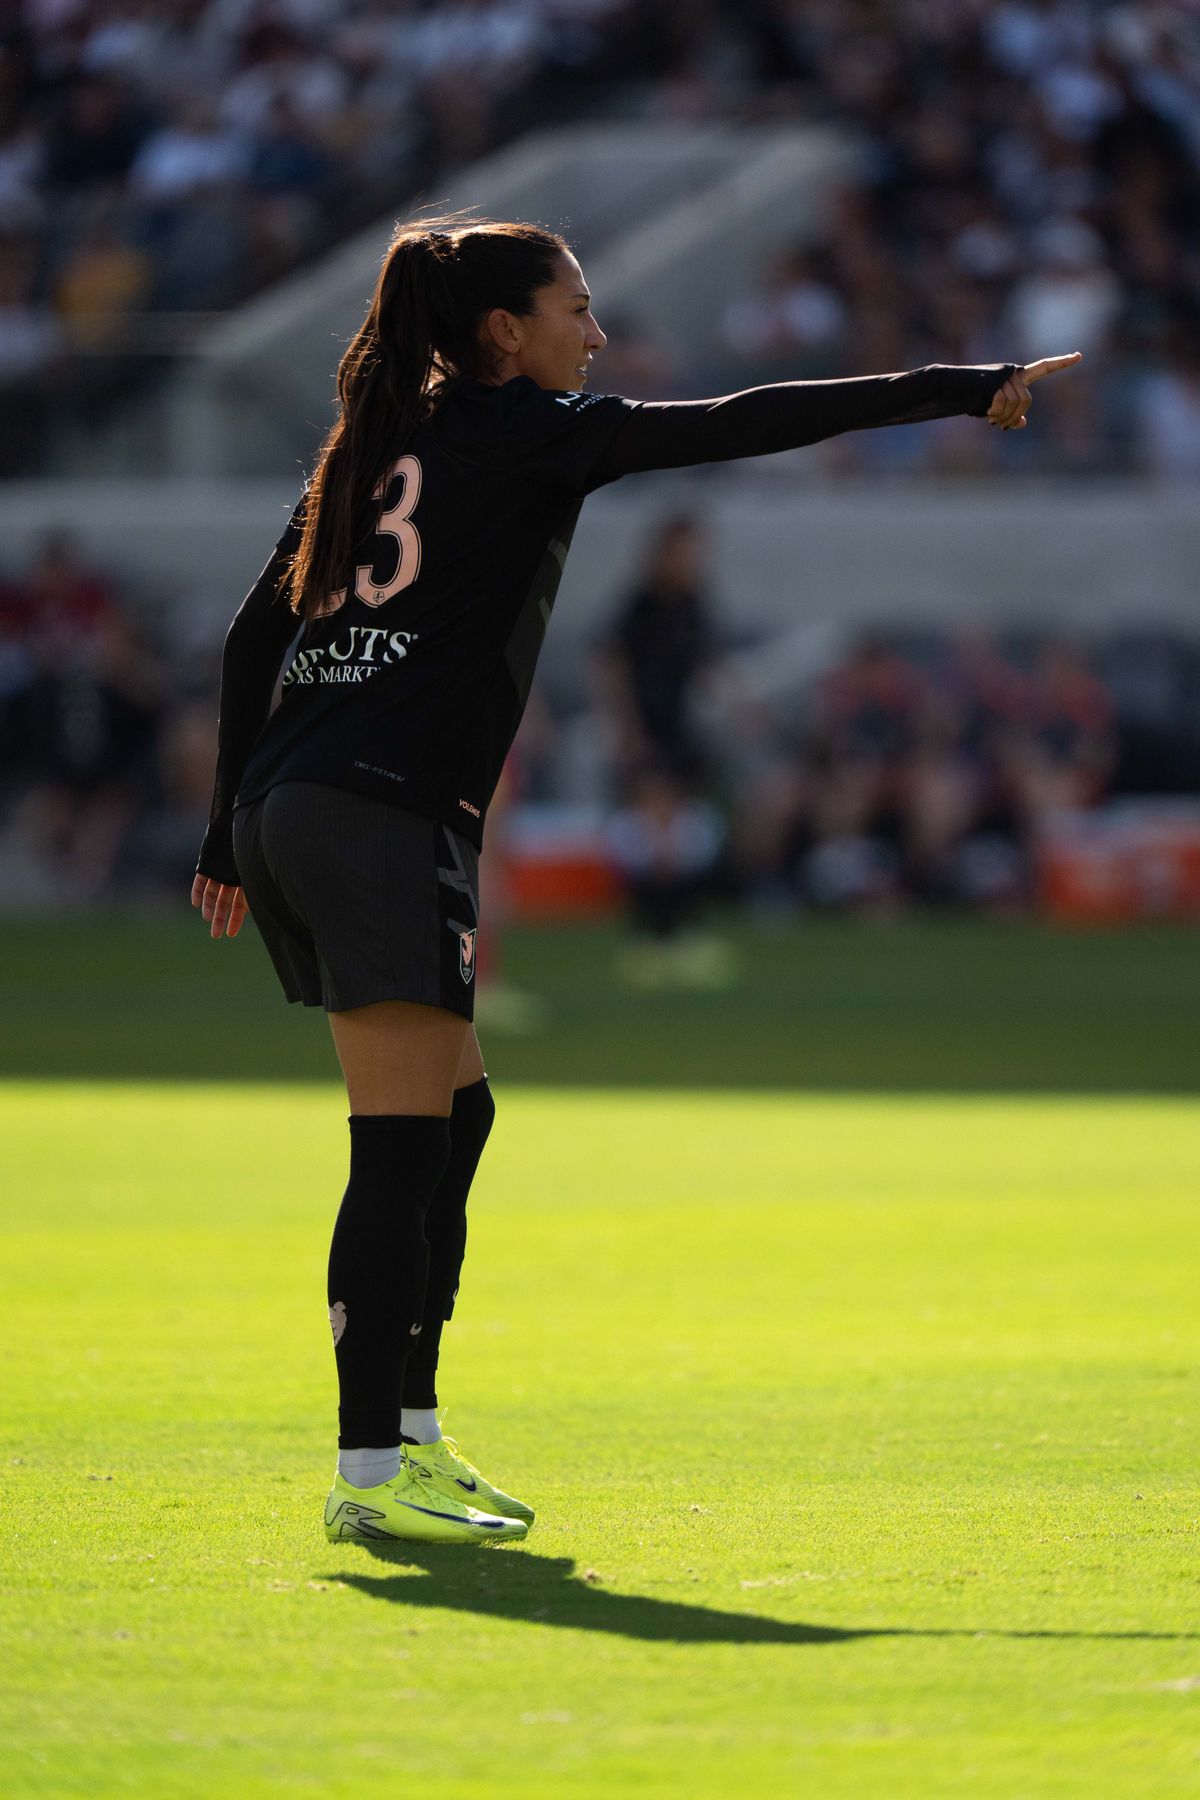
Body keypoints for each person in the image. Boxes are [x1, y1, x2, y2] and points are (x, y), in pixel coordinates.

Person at [191, 211, 1081, 1548]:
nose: (596, 336)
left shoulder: (371, 444)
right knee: (399, 1149)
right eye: (576, 310)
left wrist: (222, 831)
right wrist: (960, 388)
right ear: (505, 329)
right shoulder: (529, 433)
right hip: (373, 817)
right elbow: (752, 417)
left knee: (458, 1120)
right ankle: (368, 1475)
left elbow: (247, 641)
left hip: (300, 806)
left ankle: (416, 1440)